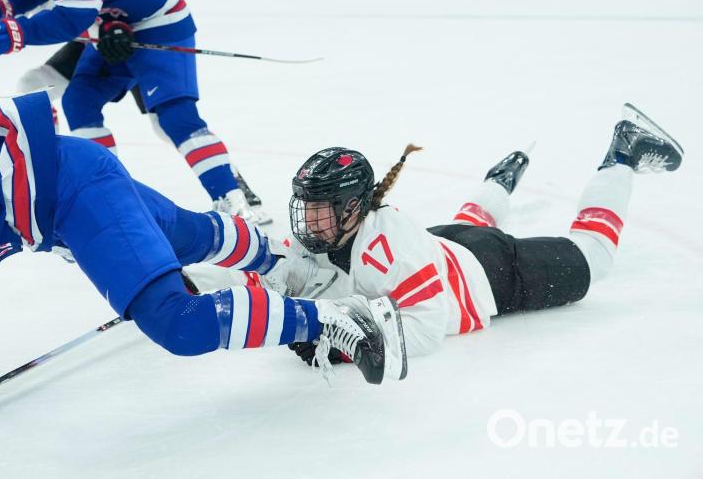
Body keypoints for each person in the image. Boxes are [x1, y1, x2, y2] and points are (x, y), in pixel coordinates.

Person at [0, 93, 405, 479]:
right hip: (77, 176)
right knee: (187, 234)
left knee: (178, 323)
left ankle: (331, 318)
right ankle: (280, 255)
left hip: (72, 197)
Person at [186, 104, 684, 373]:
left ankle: (622, 155)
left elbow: (427, 326)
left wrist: (343, 345)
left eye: (321, 211)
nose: (309, 223)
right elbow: (273, 271)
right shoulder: (331, 236)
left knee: (593, 260)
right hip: (447, 246)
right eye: (307, 209)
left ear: (354, 207)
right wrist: (187, 279)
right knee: (466, 225)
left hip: (491, 273)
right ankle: (500, 179)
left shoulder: (389, 249)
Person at [0, 0, 270, 223]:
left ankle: (234, 200)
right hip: (106, 30)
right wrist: (1, 9)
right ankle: (110, 194)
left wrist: (9, 34)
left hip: (157, 24)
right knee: (79, 101)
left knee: (174, 119)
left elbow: (69, 18)